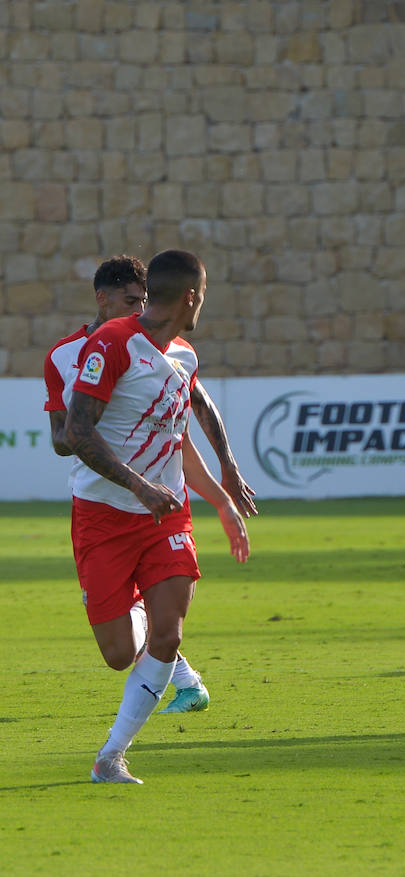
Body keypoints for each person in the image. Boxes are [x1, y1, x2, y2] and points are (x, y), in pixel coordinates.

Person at [65, 249, 251, 783]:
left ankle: (111, 756)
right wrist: (139, 485)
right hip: (103, 515)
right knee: (120, 654)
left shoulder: (185, 355)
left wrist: (222, 494)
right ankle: (126, 606)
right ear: (192, 296)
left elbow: (179, 435)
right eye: (204, 295)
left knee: (168, 635)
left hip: (166, 516)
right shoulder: (113, 343)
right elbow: (77, 433)